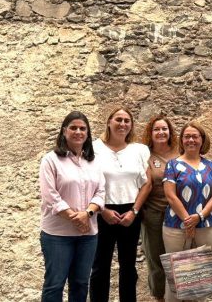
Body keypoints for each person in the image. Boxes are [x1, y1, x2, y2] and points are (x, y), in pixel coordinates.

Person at [39, 111, 104, 302]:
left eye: (82, 128)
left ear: (87, 133)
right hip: (58, 235)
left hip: (88, 236)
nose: (78, 132)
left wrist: (87, 214)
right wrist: (76, 219)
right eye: (73, 128)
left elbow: (101, 192)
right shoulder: (51, 160)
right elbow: (51, 196)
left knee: (81, 283)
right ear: (64, 131)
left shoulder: (93, 161)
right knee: (54, 285)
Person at [90, 108, 151, 302]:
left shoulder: (139, 150)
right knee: (100, 266)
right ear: (109, 122)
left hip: (130, 211)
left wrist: (134, 211)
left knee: (128, 266)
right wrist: (103, 210)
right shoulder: (93, 148)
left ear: (131, 125)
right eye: (118, 119)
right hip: (102, 210)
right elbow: (87, 182)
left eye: (127, 120)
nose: (122, 124)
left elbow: (147, 184)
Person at [162, 121, 212, 302]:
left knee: (199, 275)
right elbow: (170, 196)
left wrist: (199, 217)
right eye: (187, 136)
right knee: (175, 274)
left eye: (195, 136)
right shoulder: (172, 165)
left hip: (206, 225)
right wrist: (188, 221)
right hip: (176, 226)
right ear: (182, 140)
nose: (191, 140)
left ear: (202, 140)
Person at [139, 115, 179, 302]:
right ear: (150, 132)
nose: (161, 132)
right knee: (156, 259)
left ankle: (180, 297)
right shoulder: (144, 155)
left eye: (164, 129)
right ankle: (160, 297)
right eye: (157, 129)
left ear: (170, 132)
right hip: (154, 215)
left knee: (178, 258)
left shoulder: (180, 153)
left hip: (178, 214)